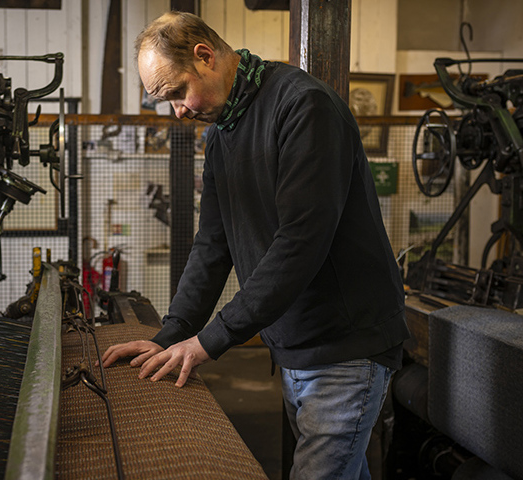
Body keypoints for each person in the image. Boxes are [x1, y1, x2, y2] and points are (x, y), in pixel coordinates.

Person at [101, 11, 410, 480]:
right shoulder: (224, 133)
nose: (178, 111)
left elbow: (299, 243)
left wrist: (210, 341)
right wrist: (172, 332)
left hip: (346, 348)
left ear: (204, 56)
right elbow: (212, 243)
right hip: (296, 347)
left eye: (177, 92)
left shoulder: (303, 106)